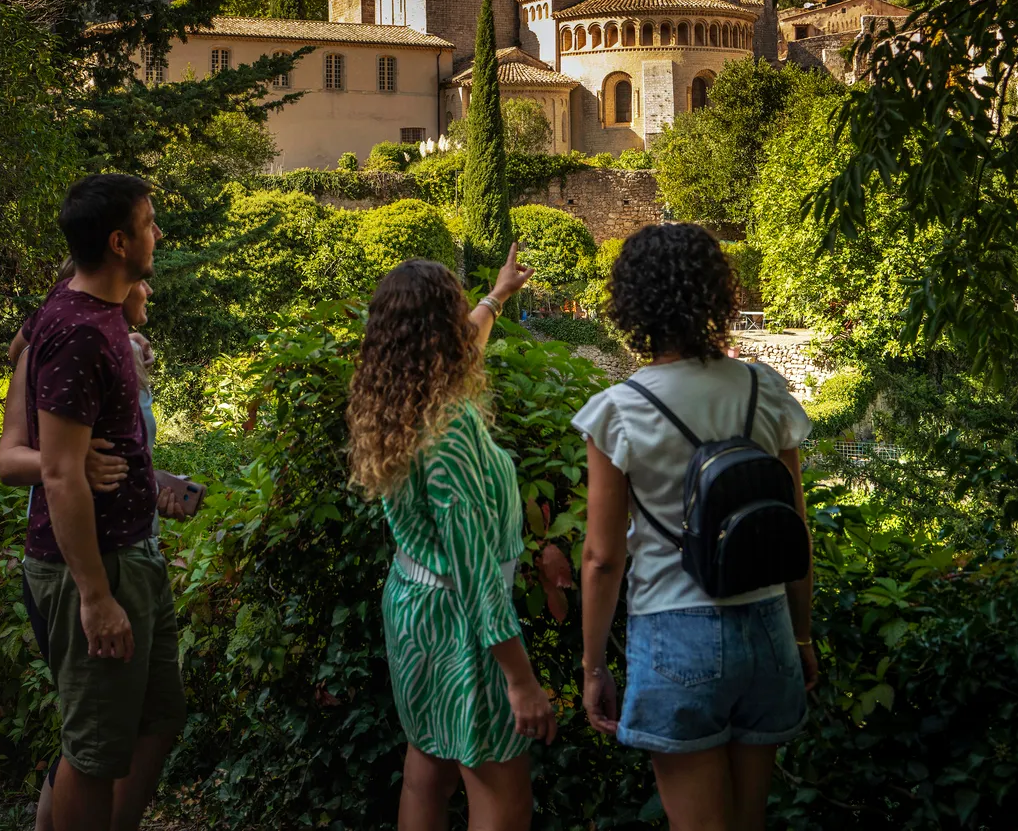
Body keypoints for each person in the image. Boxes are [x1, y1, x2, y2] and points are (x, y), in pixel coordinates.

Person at [573, 225, 816, 831]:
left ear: (632, 303)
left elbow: (603, 558)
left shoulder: (619, 409)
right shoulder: (765, 389)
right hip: (767, 626)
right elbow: (797, 533)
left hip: (673, 630)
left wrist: (593, 665)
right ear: (718, 295)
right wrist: (804, 638)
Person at [346, 245, 554, 831]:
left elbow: (469, 338)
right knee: (501, 794)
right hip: (464, 624)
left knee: (426, 770)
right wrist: (520, 678)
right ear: (442, 330)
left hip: (414, 609)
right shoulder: (451, 427)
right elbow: (475, 569)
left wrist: (497, 296)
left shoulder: (395, 401)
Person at [0, 275, 190, 830]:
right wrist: (67, 462)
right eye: (141, 280)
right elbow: (12, 461)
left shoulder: (123, 349)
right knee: (95, 737)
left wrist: (156, 491)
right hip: (79, 558)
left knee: (147, 719)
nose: (150, 287)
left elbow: (122, 459)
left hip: (137, 548)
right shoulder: (57, 347)